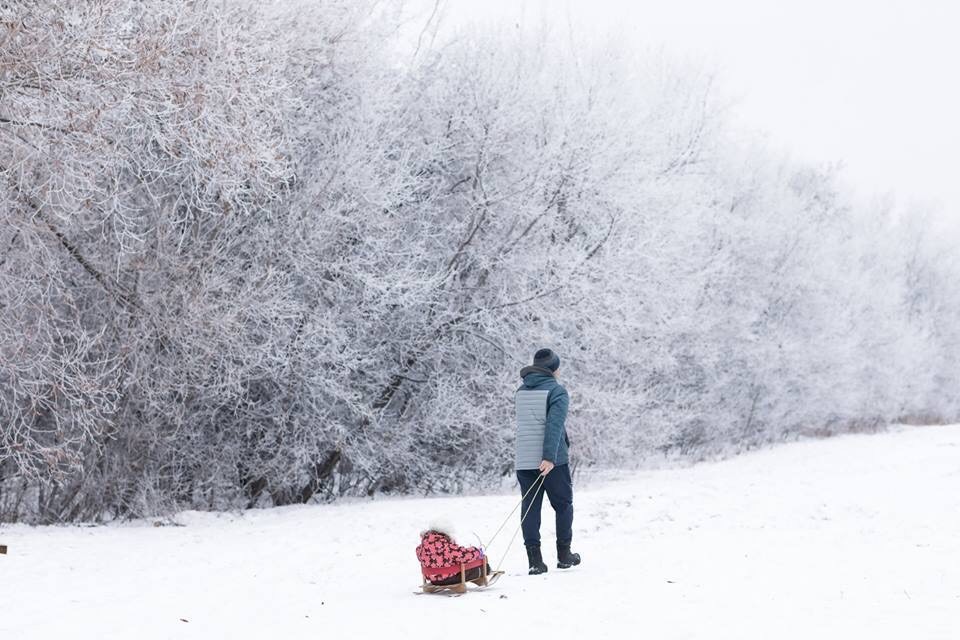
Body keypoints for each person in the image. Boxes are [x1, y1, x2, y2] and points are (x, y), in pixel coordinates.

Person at [514, 348, 581, 575]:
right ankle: (564, 555)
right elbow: (554, 426)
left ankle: (535, 561)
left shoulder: (521, 391)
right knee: (563, 505)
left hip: (524, 459)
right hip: (552, 461)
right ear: (552, 368)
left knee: (530, 508)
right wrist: (549, 458)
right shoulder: (557, 391)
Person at [415, 526, 492, 586]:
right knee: (484, 567)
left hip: (433, 581)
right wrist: (477, 551)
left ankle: (477, 577)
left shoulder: (420, 548)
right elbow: (464, 555)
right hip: (450, 579)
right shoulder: (446, 547)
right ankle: (483, 573)